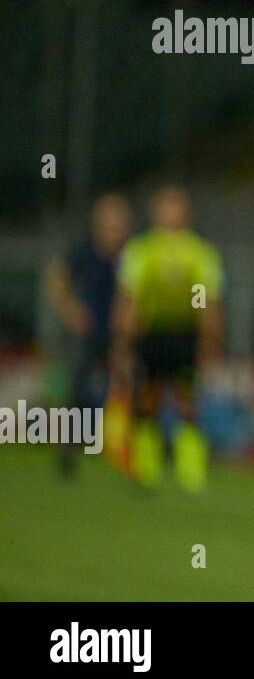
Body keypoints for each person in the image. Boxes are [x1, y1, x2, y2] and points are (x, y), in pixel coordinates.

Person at [112, 185, 224, 492]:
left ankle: (191, 469)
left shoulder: (199, 252)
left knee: (187, 400)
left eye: (175, 207)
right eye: (165, 207)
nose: (170, 213)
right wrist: (123, 340)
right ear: (155, 212)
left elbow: (206, 298)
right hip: (151, 334)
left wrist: (208, 337)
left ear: (185, 213)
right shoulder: (141, 249)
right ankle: (147, 466)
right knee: (147, 399)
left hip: (184, 334)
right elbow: (130, 297)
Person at [43, 192, 131, 476]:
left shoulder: (132, 254)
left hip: (119, 333)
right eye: (110, 224)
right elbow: (54, 277)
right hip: (87, 331)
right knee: (75, 387)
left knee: (124, 387)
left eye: (119, 225)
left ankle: (121, 447)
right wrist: (70, 311)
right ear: (98, 225)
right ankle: (66, 447)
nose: (115, 231)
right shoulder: (84, 251)